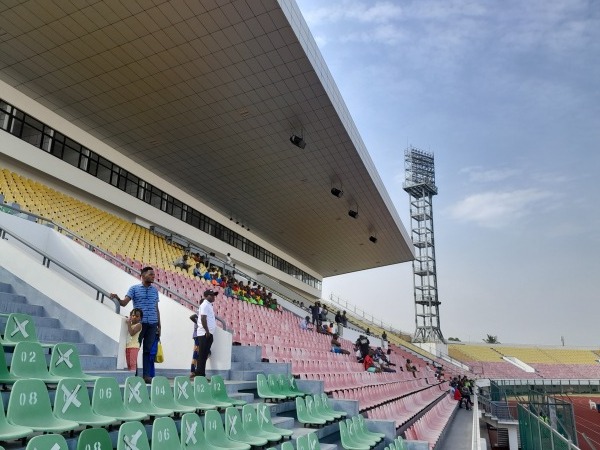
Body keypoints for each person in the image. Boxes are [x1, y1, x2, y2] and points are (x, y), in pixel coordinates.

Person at [110, 267, 161, 383]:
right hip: (139, 325)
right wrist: (117, 298)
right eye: (151, 274)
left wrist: (159, 325)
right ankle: (134, 374)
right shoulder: (134, 289)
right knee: (135, 349)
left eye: (154, 275)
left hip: (152, 324)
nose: (153, 276)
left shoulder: (155, 291)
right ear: (142, 275)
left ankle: (146, 375)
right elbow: (123, 303)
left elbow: (156, 309)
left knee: (148, 350)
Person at [194, 289, 218, 379]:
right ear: (206, 296)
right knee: (202, 354)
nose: (213, 297)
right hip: (204, 333)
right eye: (211, 295)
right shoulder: (204, 305)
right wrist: (207, 331)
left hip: (208, 333)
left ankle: (200, 373)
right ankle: (199, 374)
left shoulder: (209, 305)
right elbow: (203, 318)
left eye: (214, 295)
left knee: (204, 354)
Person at [125, 308, 142, 374]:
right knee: (128, 363)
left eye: (137, 316)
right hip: (128, 347)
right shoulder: (131, 324)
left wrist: (129, 323)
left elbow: (132, 333)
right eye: (133, 315)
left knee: (132, 363)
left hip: (134, 347)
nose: (134, 317)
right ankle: (130, 377)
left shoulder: (139, 325)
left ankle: (133, 377)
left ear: (140, 318)